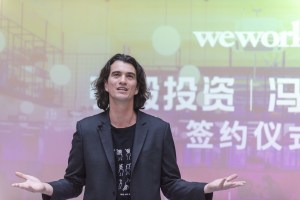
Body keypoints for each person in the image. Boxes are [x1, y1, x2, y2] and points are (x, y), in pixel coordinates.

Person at [12, 53, 246, 200]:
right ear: (106, 84)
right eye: (116, 75)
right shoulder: (86, 129)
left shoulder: (158, 130)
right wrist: (45, 187)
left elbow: (171, 185)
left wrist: (206, 188)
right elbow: (74, 183)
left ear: (137, 87)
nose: (122, 80)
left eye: (130, 76)